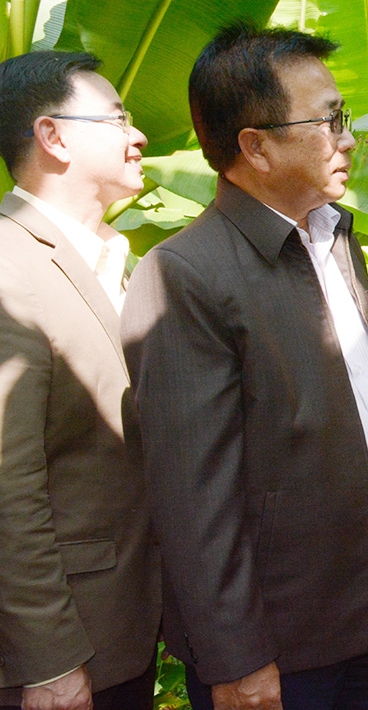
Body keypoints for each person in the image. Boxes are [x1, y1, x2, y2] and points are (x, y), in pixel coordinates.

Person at [119, 24, 368, 710]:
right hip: (280, 645)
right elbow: (191, 497)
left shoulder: (336, 239)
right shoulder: (186, 275)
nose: (347, 137)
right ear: (255, 145)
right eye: (330, 120)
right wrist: (236, 661)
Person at [0, 49, 161, 710]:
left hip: (127, 626)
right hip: (66, 653)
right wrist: (49, 661)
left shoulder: (119, 264)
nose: (139, 136)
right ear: (54, 136)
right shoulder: (10, 268)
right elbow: (9, 487)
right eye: (118, 119)